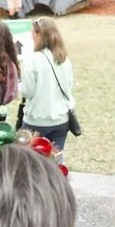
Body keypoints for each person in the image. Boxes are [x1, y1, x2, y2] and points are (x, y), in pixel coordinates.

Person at [19, 17, 74, 157]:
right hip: (61, 119)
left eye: (33, 32)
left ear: (40, 35)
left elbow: (28, 91)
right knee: (56, 160)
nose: (31, 35)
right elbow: (68, 86)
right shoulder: (63, 59)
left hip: (36, 120)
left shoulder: (32, 60)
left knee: (32, 162)